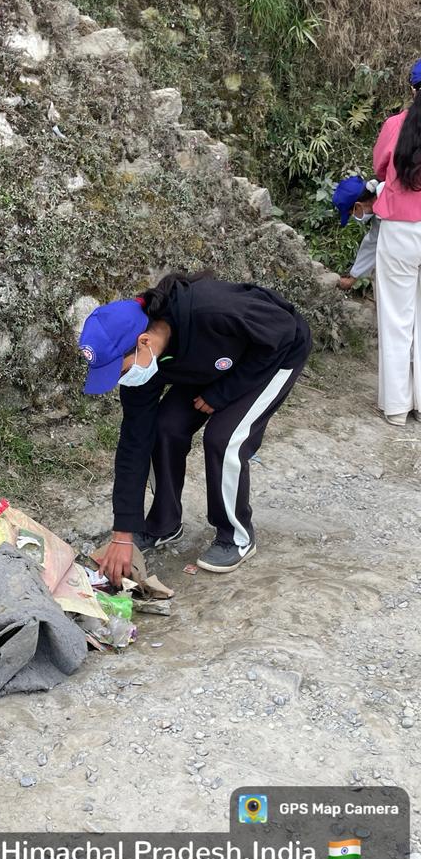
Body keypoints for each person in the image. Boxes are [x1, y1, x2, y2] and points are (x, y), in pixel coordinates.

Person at [78, 272, 312, 580]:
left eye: (120, 371)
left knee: (223, 438)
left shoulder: (212, 311)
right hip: (214, 360)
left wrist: (222, 393)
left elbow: (283, 331)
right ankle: (163, 524)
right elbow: (134, 442)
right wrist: (123, 532)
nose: (122, 380)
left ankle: (235, 536)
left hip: (275, 353)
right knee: (164, 428)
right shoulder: (144, 366)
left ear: (144, 342)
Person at [372, 59, 421, 425]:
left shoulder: (395, 125)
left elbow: (379, 168)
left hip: (400, 229)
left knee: (395, 317)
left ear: (412, 88)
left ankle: (397, 407)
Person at [332, 176, 383, 290]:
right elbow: (373, 242)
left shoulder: (389, 204)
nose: (354, 217)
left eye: (352, 213)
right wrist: (353, 277)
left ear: (358, 206)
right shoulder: (379, 208)